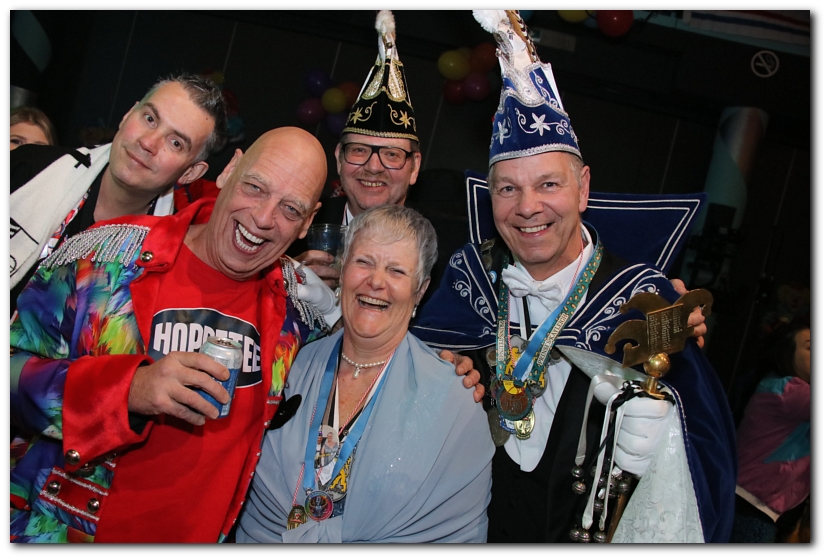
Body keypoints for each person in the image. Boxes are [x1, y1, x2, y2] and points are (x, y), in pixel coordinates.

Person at [412, 11, 736, 543]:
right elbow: (409, 373)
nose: (527, 207)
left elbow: (700, 443)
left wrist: (661, 436)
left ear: (583, 189)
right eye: (508, 189)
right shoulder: (470, 278)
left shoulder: (644, 300)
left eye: (548, 185)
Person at [10, 127, 329, 543]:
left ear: (308, 222)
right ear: (229, 170)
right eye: (255, 187)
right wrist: (126, 391)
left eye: (290, 209)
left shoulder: (298, 318)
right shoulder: (103, 260)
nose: (264, 218)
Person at [237, 205, 493, 543]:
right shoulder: (291, 365)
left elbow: (455, 533)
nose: (376, 281)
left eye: (396, 271)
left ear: (420, 290)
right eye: (364, 262)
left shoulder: (453, 401)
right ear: (343, 270)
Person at [10, 72, 228, 317]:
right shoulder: (28, 169)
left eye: (175, 143)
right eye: (150, 119)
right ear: (127, 115)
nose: (148, 142)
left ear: (190, 172)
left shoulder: (170, 258)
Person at [288, 11, 464, 302]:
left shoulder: (448, 255)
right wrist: (287, 281)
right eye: (359, 150)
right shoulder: (297, 228)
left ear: (414, 167)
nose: (372, 166)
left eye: (392, 155)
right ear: (339, 158)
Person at [730, 319, 810, 543]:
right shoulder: (788, 390)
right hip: (749, 503)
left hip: (756, 504)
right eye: (810, 347)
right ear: (787, 353)